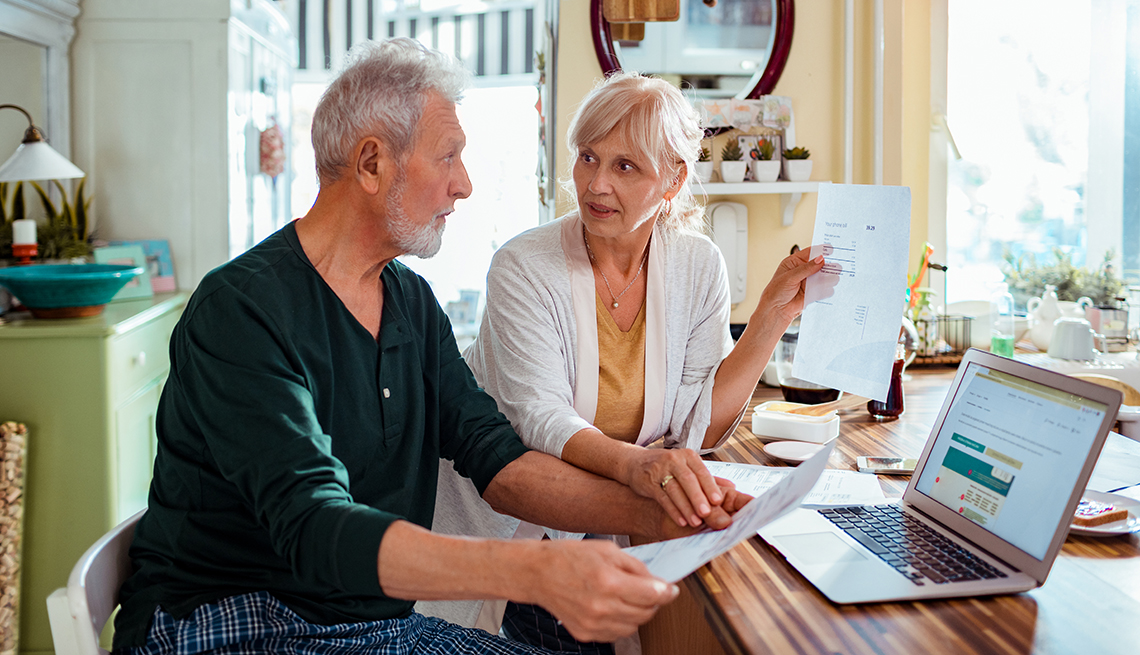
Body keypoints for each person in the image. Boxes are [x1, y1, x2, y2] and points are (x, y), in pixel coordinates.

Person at [110, 39, 750, 655]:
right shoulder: (242, 309)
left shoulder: (409, 301)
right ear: (371, 164)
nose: (464, 184)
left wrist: (660, 508)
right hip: (230, 625)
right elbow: (313, 527)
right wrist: (535, 570)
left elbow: (498, 459)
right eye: (448, 157)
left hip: (367, 628)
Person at [427, 72, 829, 652]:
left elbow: (699, 424)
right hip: (515, 533)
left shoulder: (697, 266)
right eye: (588, 157)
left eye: (625, 166)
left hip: (607, 526)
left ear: (674, 179)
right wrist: (640, 468)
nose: (596, 184)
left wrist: (771, 315)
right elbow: (541, 420)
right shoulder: (522, 267)